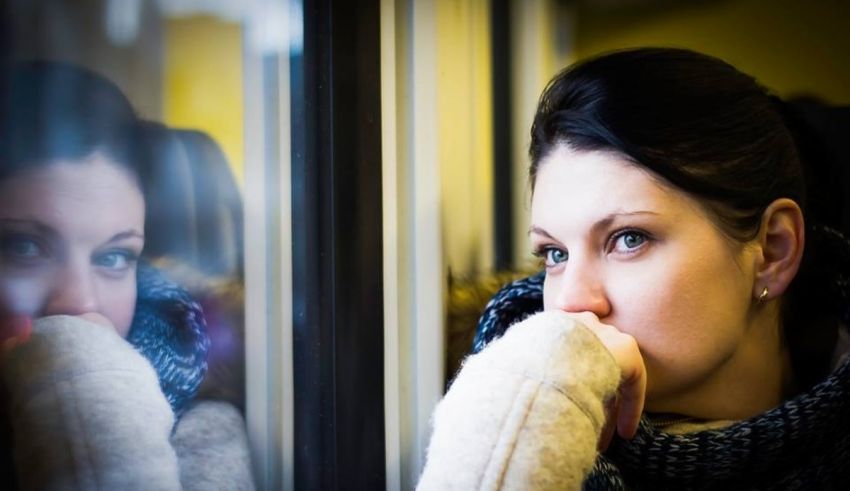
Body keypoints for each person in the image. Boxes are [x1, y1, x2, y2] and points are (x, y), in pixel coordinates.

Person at [417, 48, 850, 489]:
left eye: (629, 239)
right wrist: (516, 427)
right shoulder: (496, 404)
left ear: (773, 251)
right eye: (555, 253)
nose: (570, 302)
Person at [0, 61, 254, 490]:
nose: (79, 302)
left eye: (114, 257)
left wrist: (79, 388)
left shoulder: (200, 426)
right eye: (25, 247)